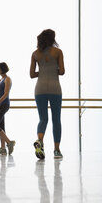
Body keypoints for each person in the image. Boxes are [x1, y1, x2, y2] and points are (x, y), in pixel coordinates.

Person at [30, 29, 65, 159]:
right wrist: (52, 70)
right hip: (55, 89)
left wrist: (43, 71)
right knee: (56, 120)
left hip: (40, 90)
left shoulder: (35, 54)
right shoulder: (58, 52)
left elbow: (32, 74)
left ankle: (40, 141)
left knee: (43, 119)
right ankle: (56, 150)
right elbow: (61, 71)